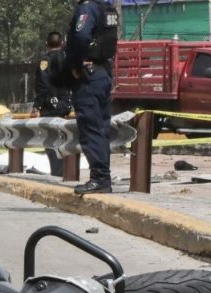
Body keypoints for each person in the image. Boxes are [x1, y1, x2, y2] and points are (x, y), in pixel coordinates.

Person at [65, 0, 118, 195]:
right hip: (102, 71)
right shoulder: (107, 8)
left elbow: (80, 37)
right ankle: (102, 178)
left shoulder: (87, 8)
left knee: (91, 128)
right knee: (101, 128)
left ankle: (100, 179)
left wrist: (76, 65)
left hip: (89, 74)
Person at [31, 31, 72, 177]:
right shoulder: (68, 58)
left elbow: (42, 86)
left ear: (46, 44)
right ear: (62, 43)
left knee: (51, 139)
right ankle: (66, 171)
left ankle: (57, 172)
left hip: (50, 105)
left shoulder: (45, 61)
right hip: (65, 103)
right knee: (65, 137)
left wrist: (36, 106)